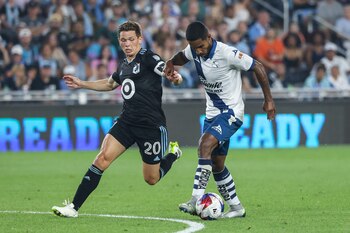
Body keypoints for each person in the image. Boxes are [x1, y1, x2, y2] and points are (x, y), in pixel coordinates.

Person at [52, 21, 183, 218]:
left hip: (150, 126)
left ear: (140, 39)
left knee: (151, 179)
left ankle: (173, 154)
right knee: (102, 158)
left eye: (131, 39)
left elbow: (164, 68)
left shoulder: (148, 57)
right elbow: (110, 83)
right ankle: (73, 207)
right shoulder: (123, 65)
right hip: (126, 122)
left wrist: (174, 76)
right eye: (123, 40)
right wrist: (82, 83)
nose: (127, 44)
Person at [164, 21, 276, 218]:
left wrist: (269, 100)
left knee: (204, 145)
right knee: (216, 164)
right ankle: (237, 208)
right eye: (194, 47)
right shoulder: (193, 50)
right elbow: (181, 56)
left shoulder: (227, 53)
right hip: (212, 114)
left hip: (231, 112)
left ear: (209, 37)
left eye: (201, 46)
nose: (198, 51)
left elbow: (257, 66)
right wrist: (170, 63)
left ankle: (194, 200)